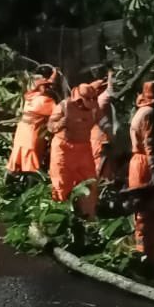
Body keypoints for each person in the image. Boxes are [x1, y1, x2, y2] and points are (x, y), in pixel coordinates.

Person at [127, 80, 154, 269]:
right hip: (146, 164)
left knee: (142, 208)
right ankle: (150, 256)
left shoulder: (139, 112)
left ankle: (145, 252)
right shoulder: (150, 115)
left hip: (137, 163)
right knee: (152, 209)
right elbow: (150, 144)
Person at [47, 80, 100, 218]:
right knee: (61, 183)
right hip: (63, 148)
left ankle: (88, 216)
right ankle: (60, 216)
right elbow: (50, 126)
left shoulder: (94, 109)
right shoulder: (64, 106)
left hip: (84, 148)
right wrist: (59, 124)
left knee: (90, 182)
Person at [6, 69, 60, 178]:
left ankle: (14, 174)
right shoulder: (45, 101)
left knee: (19, 152)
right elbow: (58, 113)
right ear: (39, 87)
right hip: (32, 132)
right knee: (32, 155)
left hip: (22, 131)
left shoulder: (30, 96)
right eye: (44, 86)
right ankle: (32, 176)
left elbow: (48, 86)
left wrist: (54, 74)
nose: (47, 88)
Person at [90, 71, 117, 183]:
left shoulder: (90, 103)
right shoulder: (100, 101)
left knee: (100, 163)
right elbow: (110, 92)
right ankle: (101, 184)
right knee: (102, 164)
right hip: (102, 139)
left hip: (94, 138)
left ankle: (102, 184)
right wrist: (111, 75)